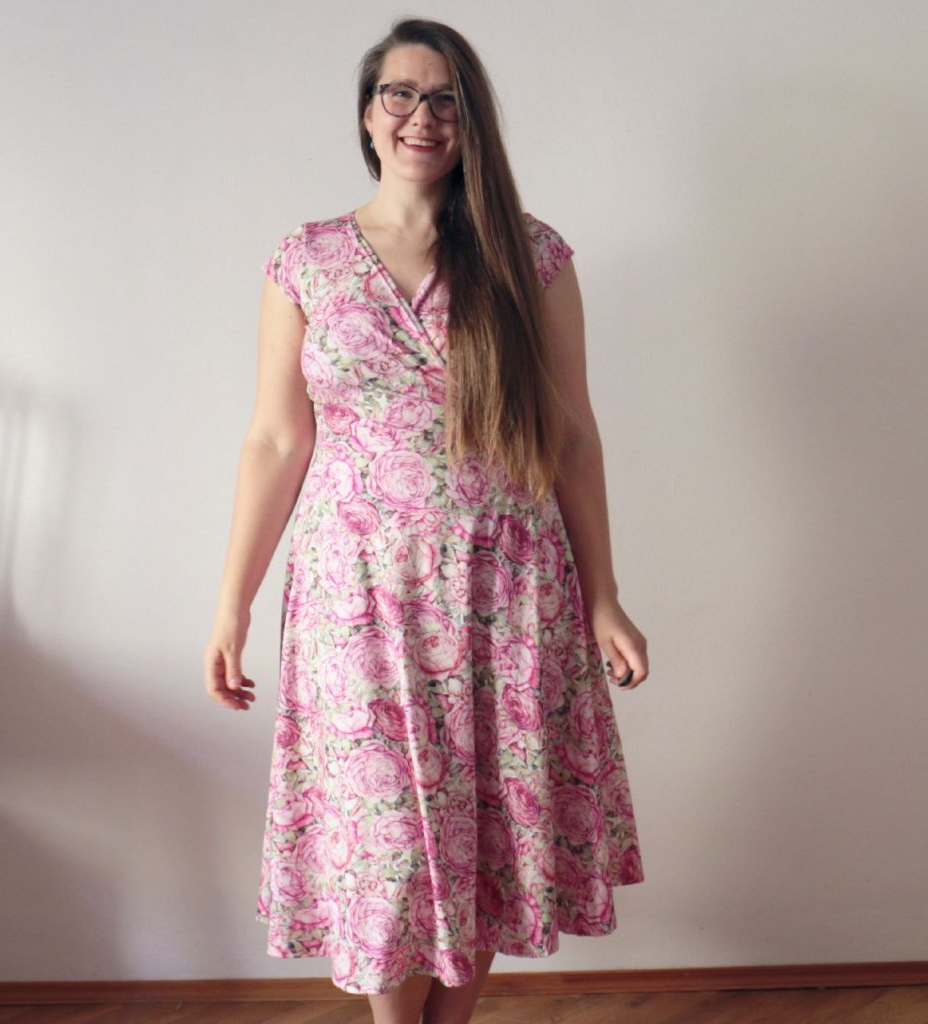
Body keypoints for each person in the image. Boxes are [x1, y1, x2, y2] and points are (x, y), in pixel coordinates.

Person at [203, 16, 649, 1024]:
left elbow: (571, 435)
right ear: (367, 115)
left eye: (445, 99)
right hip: (355, 595)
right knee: (389, 841)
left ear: (470, 120)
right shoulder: (307, 259)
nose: (421, 116)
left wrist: (605, 596)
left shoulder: (529, 255)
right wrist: (231, 605)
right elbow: (274, 440)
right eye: (399, 94)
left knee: (481, 831)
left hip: (505, 586)